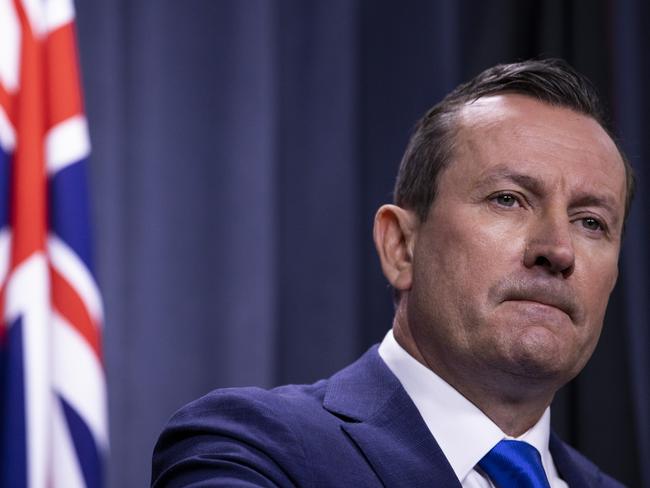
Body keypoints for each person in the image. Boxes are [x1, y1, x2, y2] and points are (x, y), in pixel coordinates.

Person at [151, 59, 634, 487]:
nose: (557, 249)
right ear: (401, 246)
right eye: (508, 199)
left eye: (591, 222)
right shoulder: (251, 449)